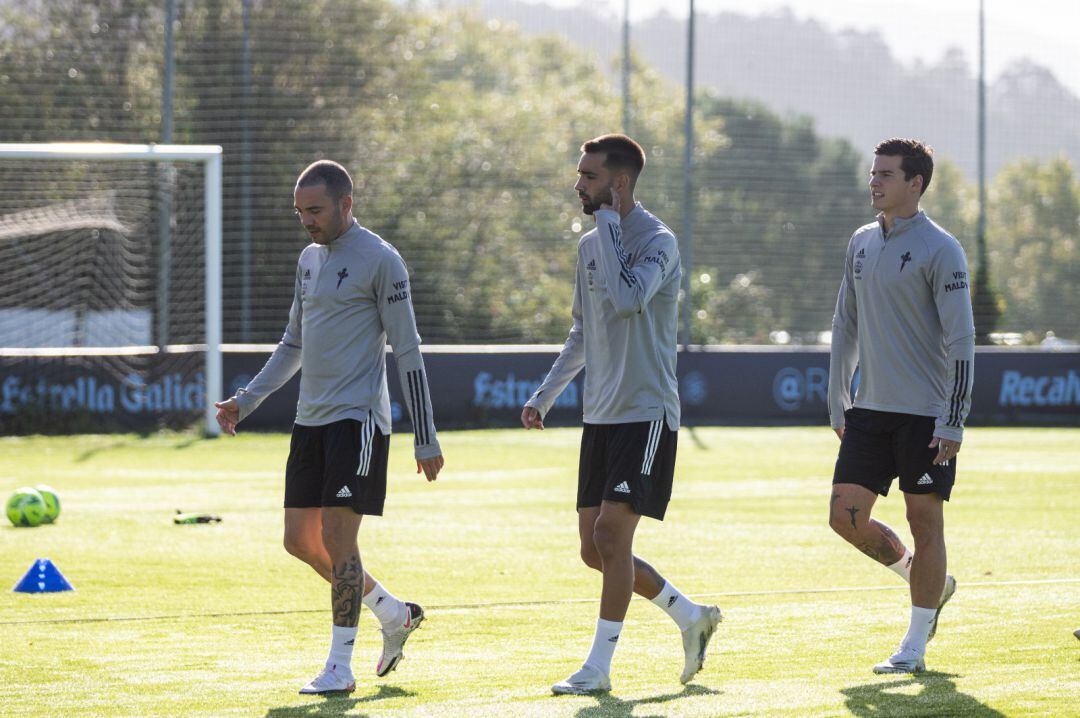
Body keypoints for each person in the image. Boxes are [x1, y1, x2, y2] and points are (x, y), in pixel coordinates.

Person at [214, 160, 444, 694]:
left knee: (340, 537)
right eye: (300, 212)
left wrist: (425, 433)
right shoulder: (308, 259)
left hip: (357, 420)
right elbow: (292, 342)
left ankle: (340, 667)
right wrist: (247, 401)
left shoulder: (383, 260)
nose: (306, 222)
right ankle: (393, 614)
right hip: (309, 421)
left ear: (346, 203)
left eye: (314, 210)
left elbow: (407, 350)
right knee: (300, 541)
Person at [521, 134, 722, 695]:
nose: (578, 184)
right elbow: (583, 332)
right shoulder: (589, 246)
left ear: (619, 182)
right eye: (580, 174)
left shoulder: (658, 240)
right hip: (601, 417)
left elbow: (630, 299)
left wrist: (609, 225)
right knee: (595, 549)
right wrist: (546, 394)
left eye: (588, 176)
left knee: (612, 533)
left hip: (647, 414)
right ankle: (690, 616)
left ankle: (599, 668)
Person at [828, 138, 974, 674]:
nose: (875, 182)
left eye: (886, 175)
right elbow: (846, 321)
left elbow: (962, 340)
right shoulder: (862, 241)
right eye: (873, 173)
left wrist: (953, 418)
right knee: (845, 518)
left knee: (923, 518)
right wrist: (837, 397)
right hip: (869, 409)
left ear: (915, 183)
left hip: (926, 412)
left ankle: (914, 642)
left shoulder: (942, 249)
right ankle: (928, 582)